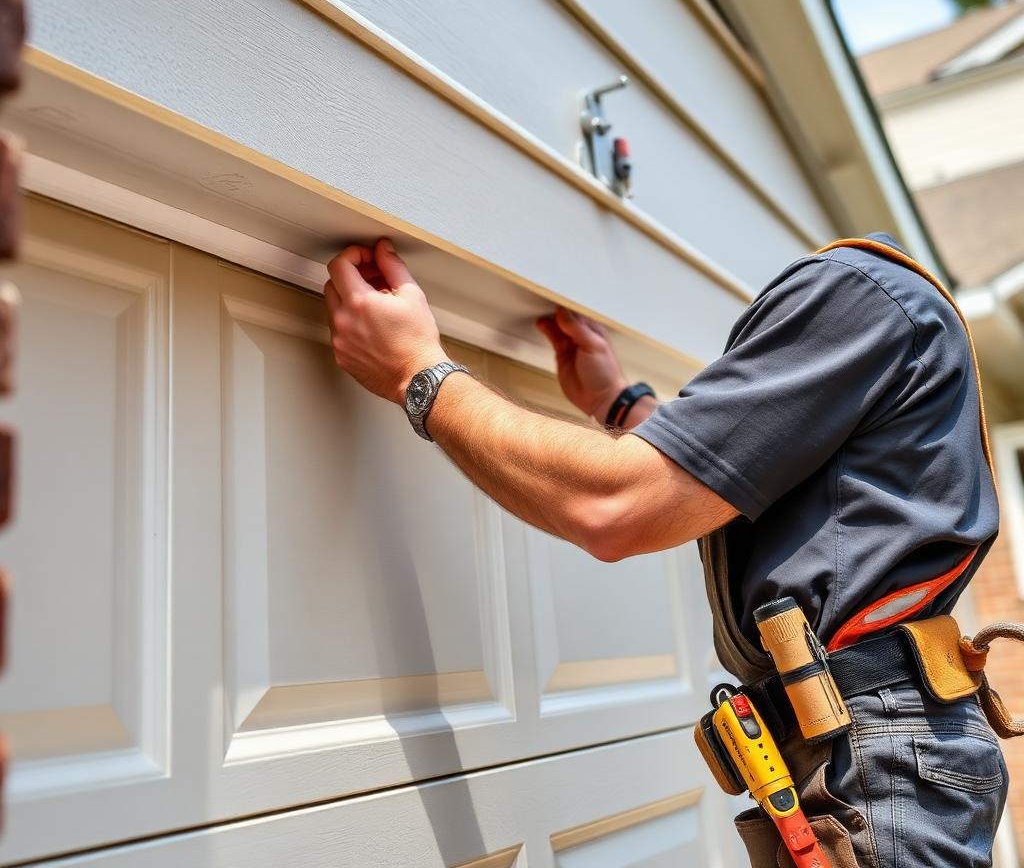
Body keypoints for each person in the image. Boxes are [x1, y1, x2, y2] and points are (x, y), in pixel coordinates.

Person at [323, 232, 1012, 868]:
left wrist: (420, 374)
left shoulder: (856, 295)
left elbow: (615, 507)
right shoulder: (888, 307)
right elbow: (735, 481)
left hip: (872, 748)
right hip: (875, 744)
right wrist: (621, 404)